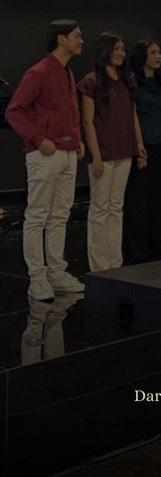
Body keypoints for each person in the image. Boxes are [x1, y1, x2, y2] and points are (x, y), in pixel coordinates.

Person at [6, 19, 85, 300]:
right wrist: (39, 139)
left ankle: (56, 272)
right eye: (76, 36)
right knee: (37, 215)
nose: (81, 41)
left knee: (60, 215)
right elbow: (14, 111)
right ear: (61, 39)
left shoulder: (67, 72)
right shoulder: (39, 72)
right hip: (44, 154)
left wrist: (76, 140)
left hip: (67, 153)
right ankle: (37, 278)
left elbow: (67, 113)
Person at [78, 32, 146, 272]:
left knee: (116, 207)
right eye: (116, 49)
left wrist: (139, 144)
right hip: (103, 153)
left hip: (124, 150)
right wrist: (96, 157)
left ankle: (115, 262)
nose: (120, 53)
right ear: (105, 51)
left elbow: (132, 114)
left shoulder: (126, 80)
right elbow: (87, 122)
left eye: (123, 49)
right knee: (100, 208)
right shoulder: (91, 81)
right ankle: (99, 266)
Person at [123, 39, 161, 264]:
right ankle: (137, 254)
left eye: (159, 52)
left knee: (158, 200)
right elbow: (131, 116)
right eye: (153, 52)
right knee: (139, 201)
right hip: (141, 146)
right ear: (143, 56)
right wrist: (138, 147)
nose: (158, 56)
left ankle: (157, 251)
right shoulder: (132, 82)